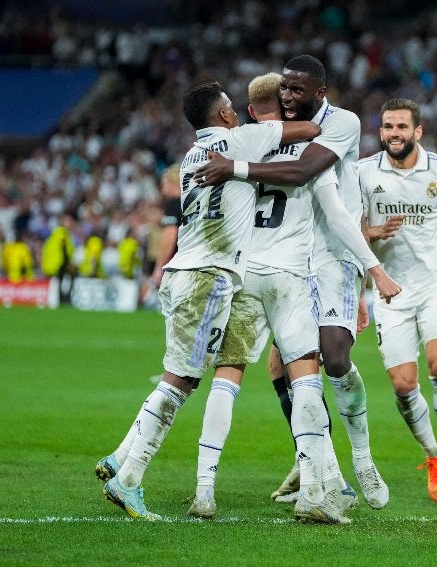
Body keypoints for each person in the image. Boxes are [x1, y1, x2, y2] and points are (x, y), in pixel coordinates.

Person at [94, 81, 319, 520]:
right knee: (180, 381)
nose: (238, 113)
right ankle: (129, 479)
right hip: (209, 277)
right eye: (232, 108)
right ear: (222, 116)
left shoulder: (189, 159)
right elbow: (308, 129)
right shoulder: (242, 139)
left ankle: (122, 459)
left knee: (179, 377)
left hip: (186, 271)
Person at [187, 72, 400, 524]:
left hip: (244, 273)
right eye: (283, 93)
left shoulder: (237, 146)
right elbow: (331, 205)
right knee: (303, 375)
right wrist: (375, 268)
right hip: (292, 274)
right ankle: (320, 485)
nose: (289, 100)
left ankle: (205, 488)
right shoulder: (304, 147)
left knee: (232, 378)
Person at [359, 98, 437, 503]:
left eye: (401, 127)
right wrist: (371, 234)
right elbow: (345, 228)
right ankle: (434, 456)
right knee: (402, 383)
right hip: (389, 290)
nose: (394, 133)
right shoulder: (363, 173)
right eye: (387, 126)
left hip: (434, 285)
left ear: (417, 131)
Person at [151, 164, 182, 288]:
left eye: (164, 184)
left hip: (177, 264)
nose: (163, 190)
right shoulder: (190, 202)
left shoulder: (173, 203)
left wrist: (159, 268)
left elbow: (170, 236)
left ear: (173, 182)